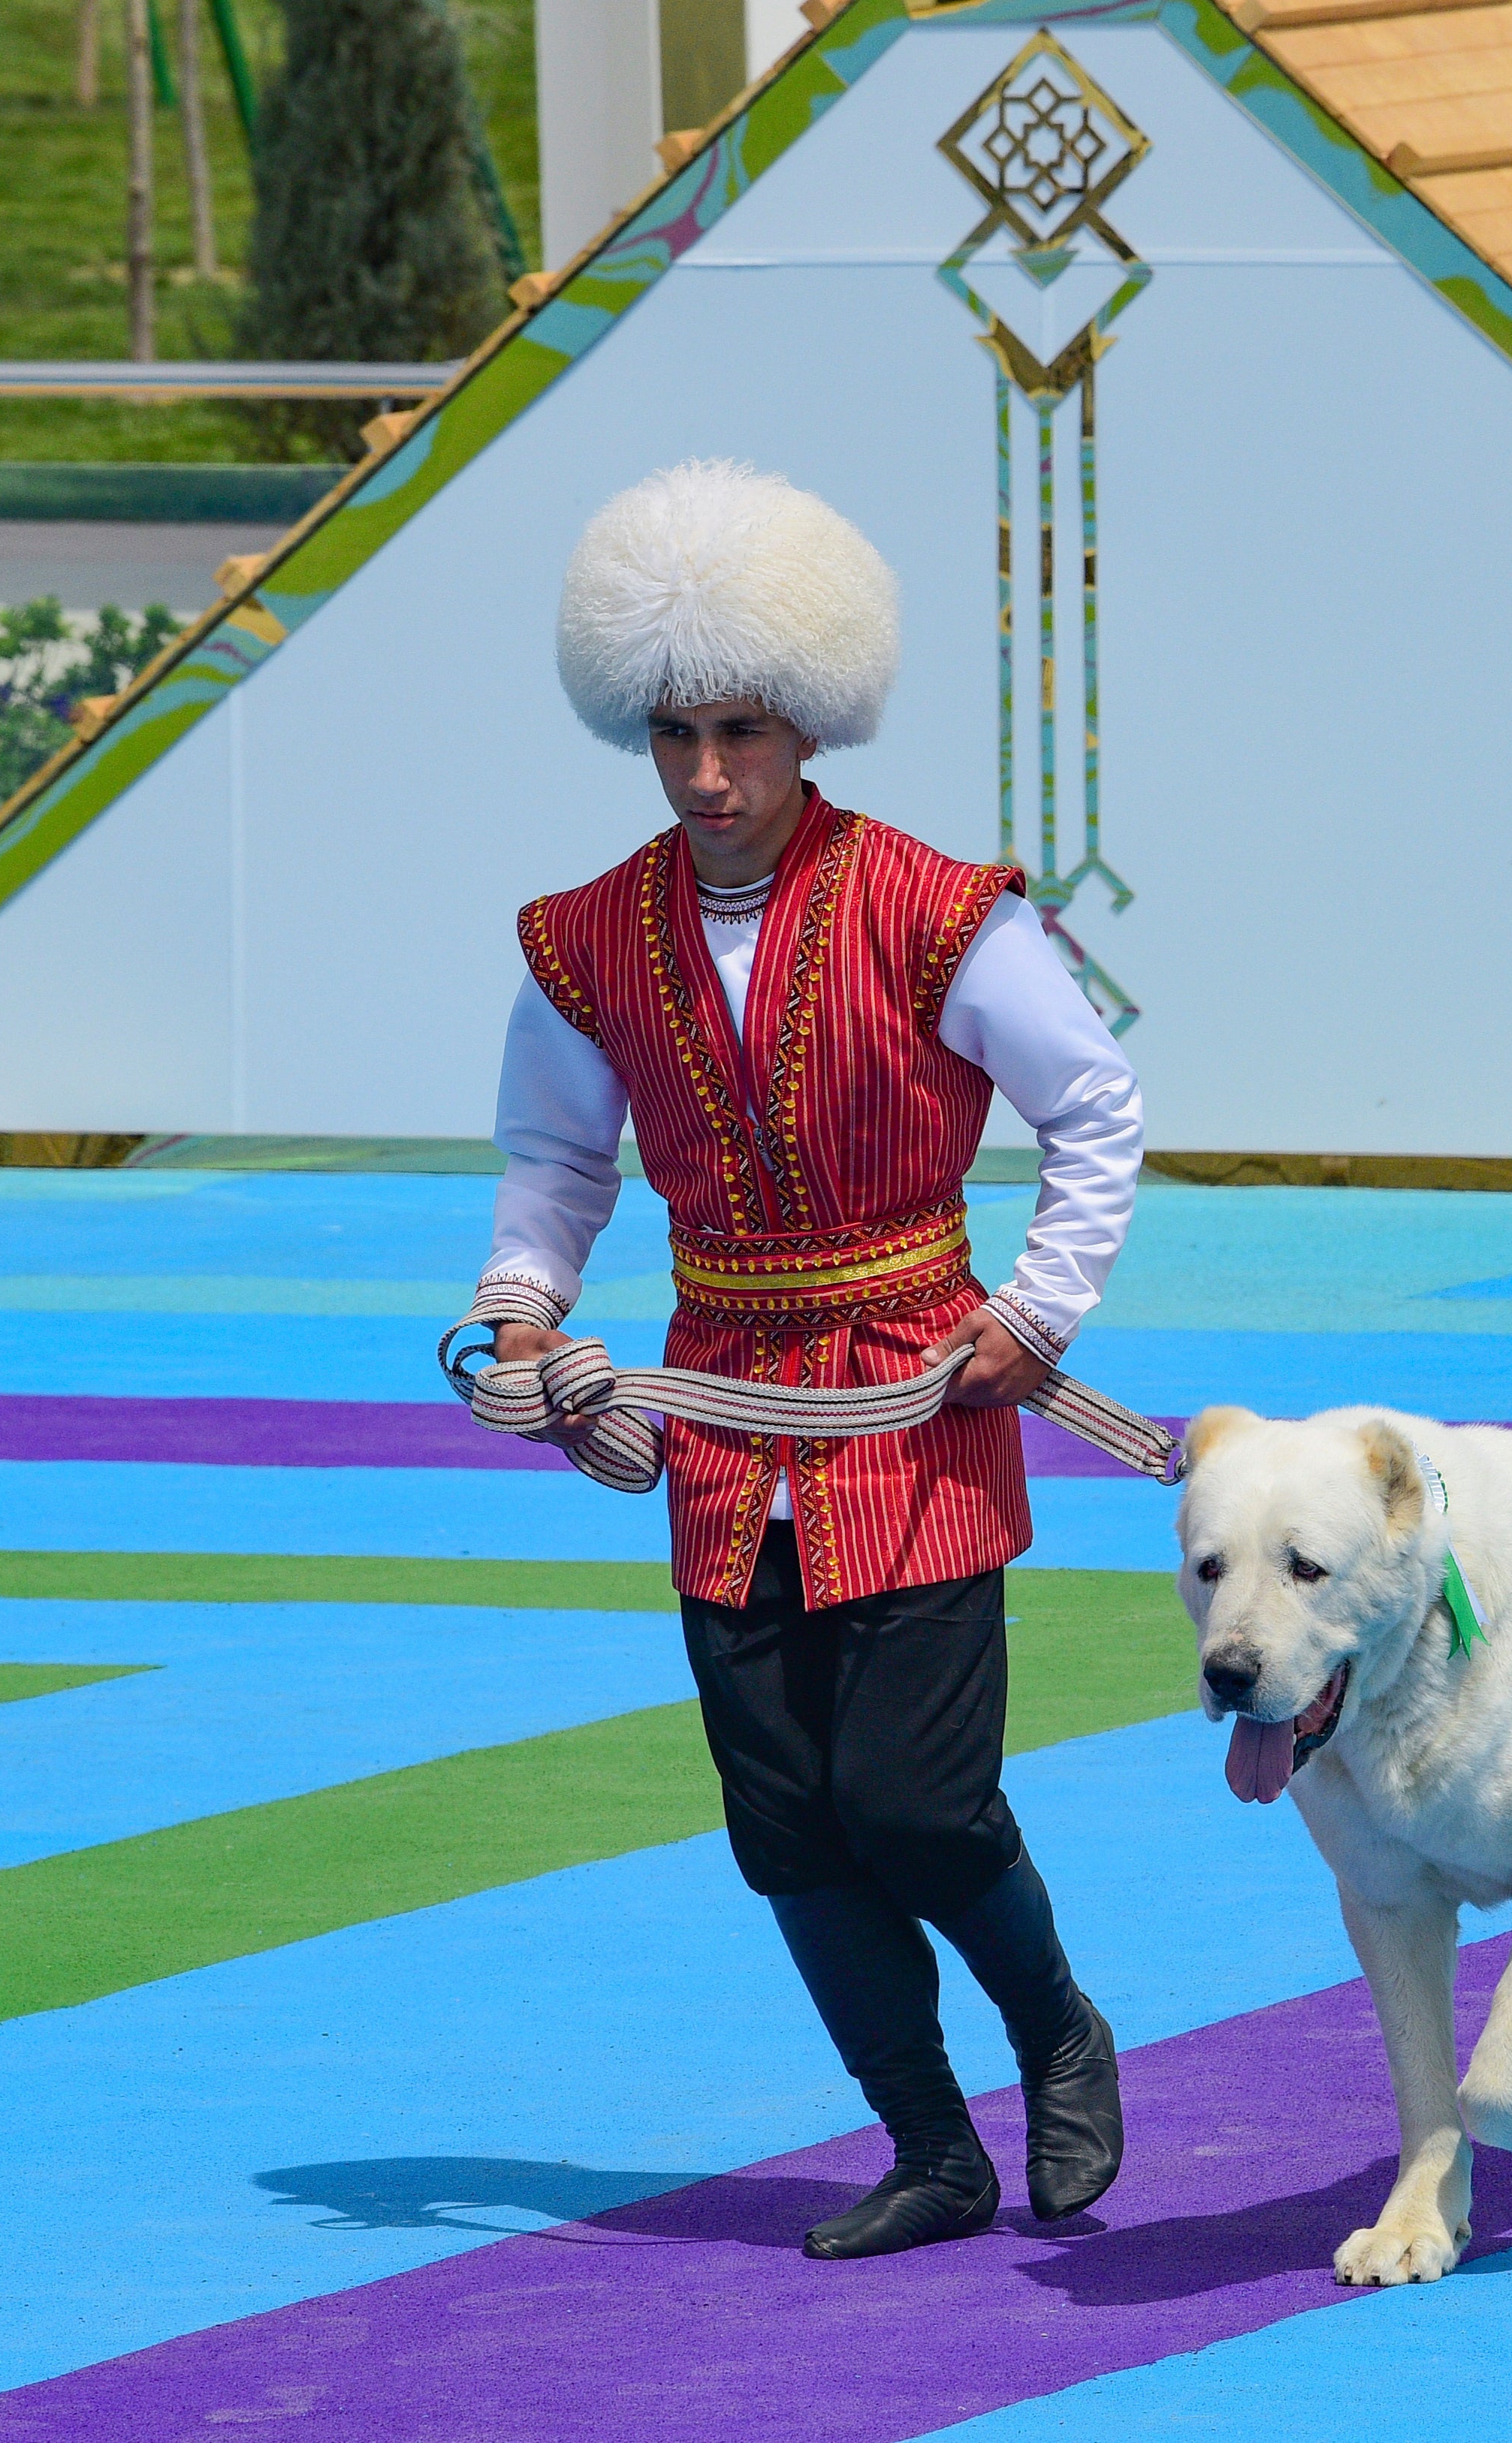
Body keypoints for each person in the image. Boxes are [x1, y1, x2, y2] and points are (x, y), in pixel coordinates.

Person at [466, 461, 1142, 2260]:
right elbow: (554, 1163)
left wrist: (1039, 1312)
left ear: (805, 722)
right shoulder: (583, 940)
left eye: (743, 732)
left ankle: (1054, 2030)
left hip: (915, 1408)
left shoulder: (941, 910)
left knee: (911, 1802)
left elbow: (1095, 1107)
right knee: (785, 1826)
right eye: (675, 733)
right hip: (710, 1428)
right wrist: (521, 1315)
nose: (706, 773)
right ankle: (931, 2150)